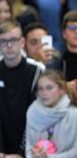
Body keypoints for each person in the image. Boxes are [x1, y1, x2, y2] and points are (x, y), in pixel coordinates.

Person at [0, 20, 45, 157]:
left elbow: (37, 115)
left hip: (29, 146)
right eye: (3, 41)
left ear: (22, 42)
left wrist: (21, 152)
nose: (8, 45)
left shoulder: (37, 70)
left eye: (13, 40)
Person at [25, 69, 77, 157]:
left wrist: (48, 157)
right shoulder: (32, 112)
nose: (44, 93)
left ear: (62, 90)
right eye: (40, 89)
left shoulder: (75, 116)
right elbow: (29, 146)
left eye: (49, 88)